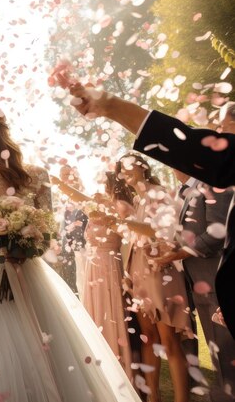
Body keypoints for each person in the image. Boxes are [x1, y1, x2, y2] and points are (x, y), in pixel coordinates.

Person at [0, 101, 140, 402]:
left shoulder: (34, 176)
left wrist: (24, 247)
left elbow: (48, 233)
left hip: (25, 276)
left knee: (42, 359)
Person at [68, 84, 235, 340]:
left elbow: (189, 146)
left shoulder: (169, 193)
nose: (219, 131)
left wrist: (111, 106)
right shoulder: (142, 198)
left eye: (224, 126)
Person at [152, 168, 235, 402]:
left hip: (216, 284)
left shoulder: (210, 183)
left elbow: (217, 233)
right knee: (218, 355)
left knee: (227, 356)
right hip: (200, 284)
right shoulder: (187, 191)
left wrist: (177, 254)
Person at [116, 152, 193, 402]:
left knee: (169, 339)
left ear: (143, 167)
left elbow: (165, 233)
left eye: (129, 166)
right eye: (121, 169)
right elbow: (136, 240)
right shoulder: (137, 200)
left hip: (160, 271)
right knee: (148, 337)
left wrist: (123, 224)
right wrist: (128, 273)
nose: (125, 172)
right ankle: (153, 397)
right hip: (139, 273)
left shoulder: (158, 192)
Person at [52, 170, 135, 378]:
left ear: (112, 187)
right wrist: (58, 183)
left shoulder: (120, 208)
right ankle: (100, 358)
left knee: (110, 310)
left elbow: (130, 240)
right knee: (94, 310)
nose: (98, 190)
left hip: (110, 266)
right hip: (93, 267)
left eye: (103, 185)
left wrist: (127, 271)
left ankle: (117, 362)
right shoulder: (97, 208)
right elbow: (78, 197)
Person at [55, 164, 89, 297]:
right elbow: (63, 224)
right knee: (71, 284)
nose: (65, 178)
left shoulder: (82, 195)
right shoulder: (63, 199)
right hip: (67, 248)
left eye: (68, 174)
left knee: (82, 284)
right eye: (62, 175)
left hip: (81, 247)